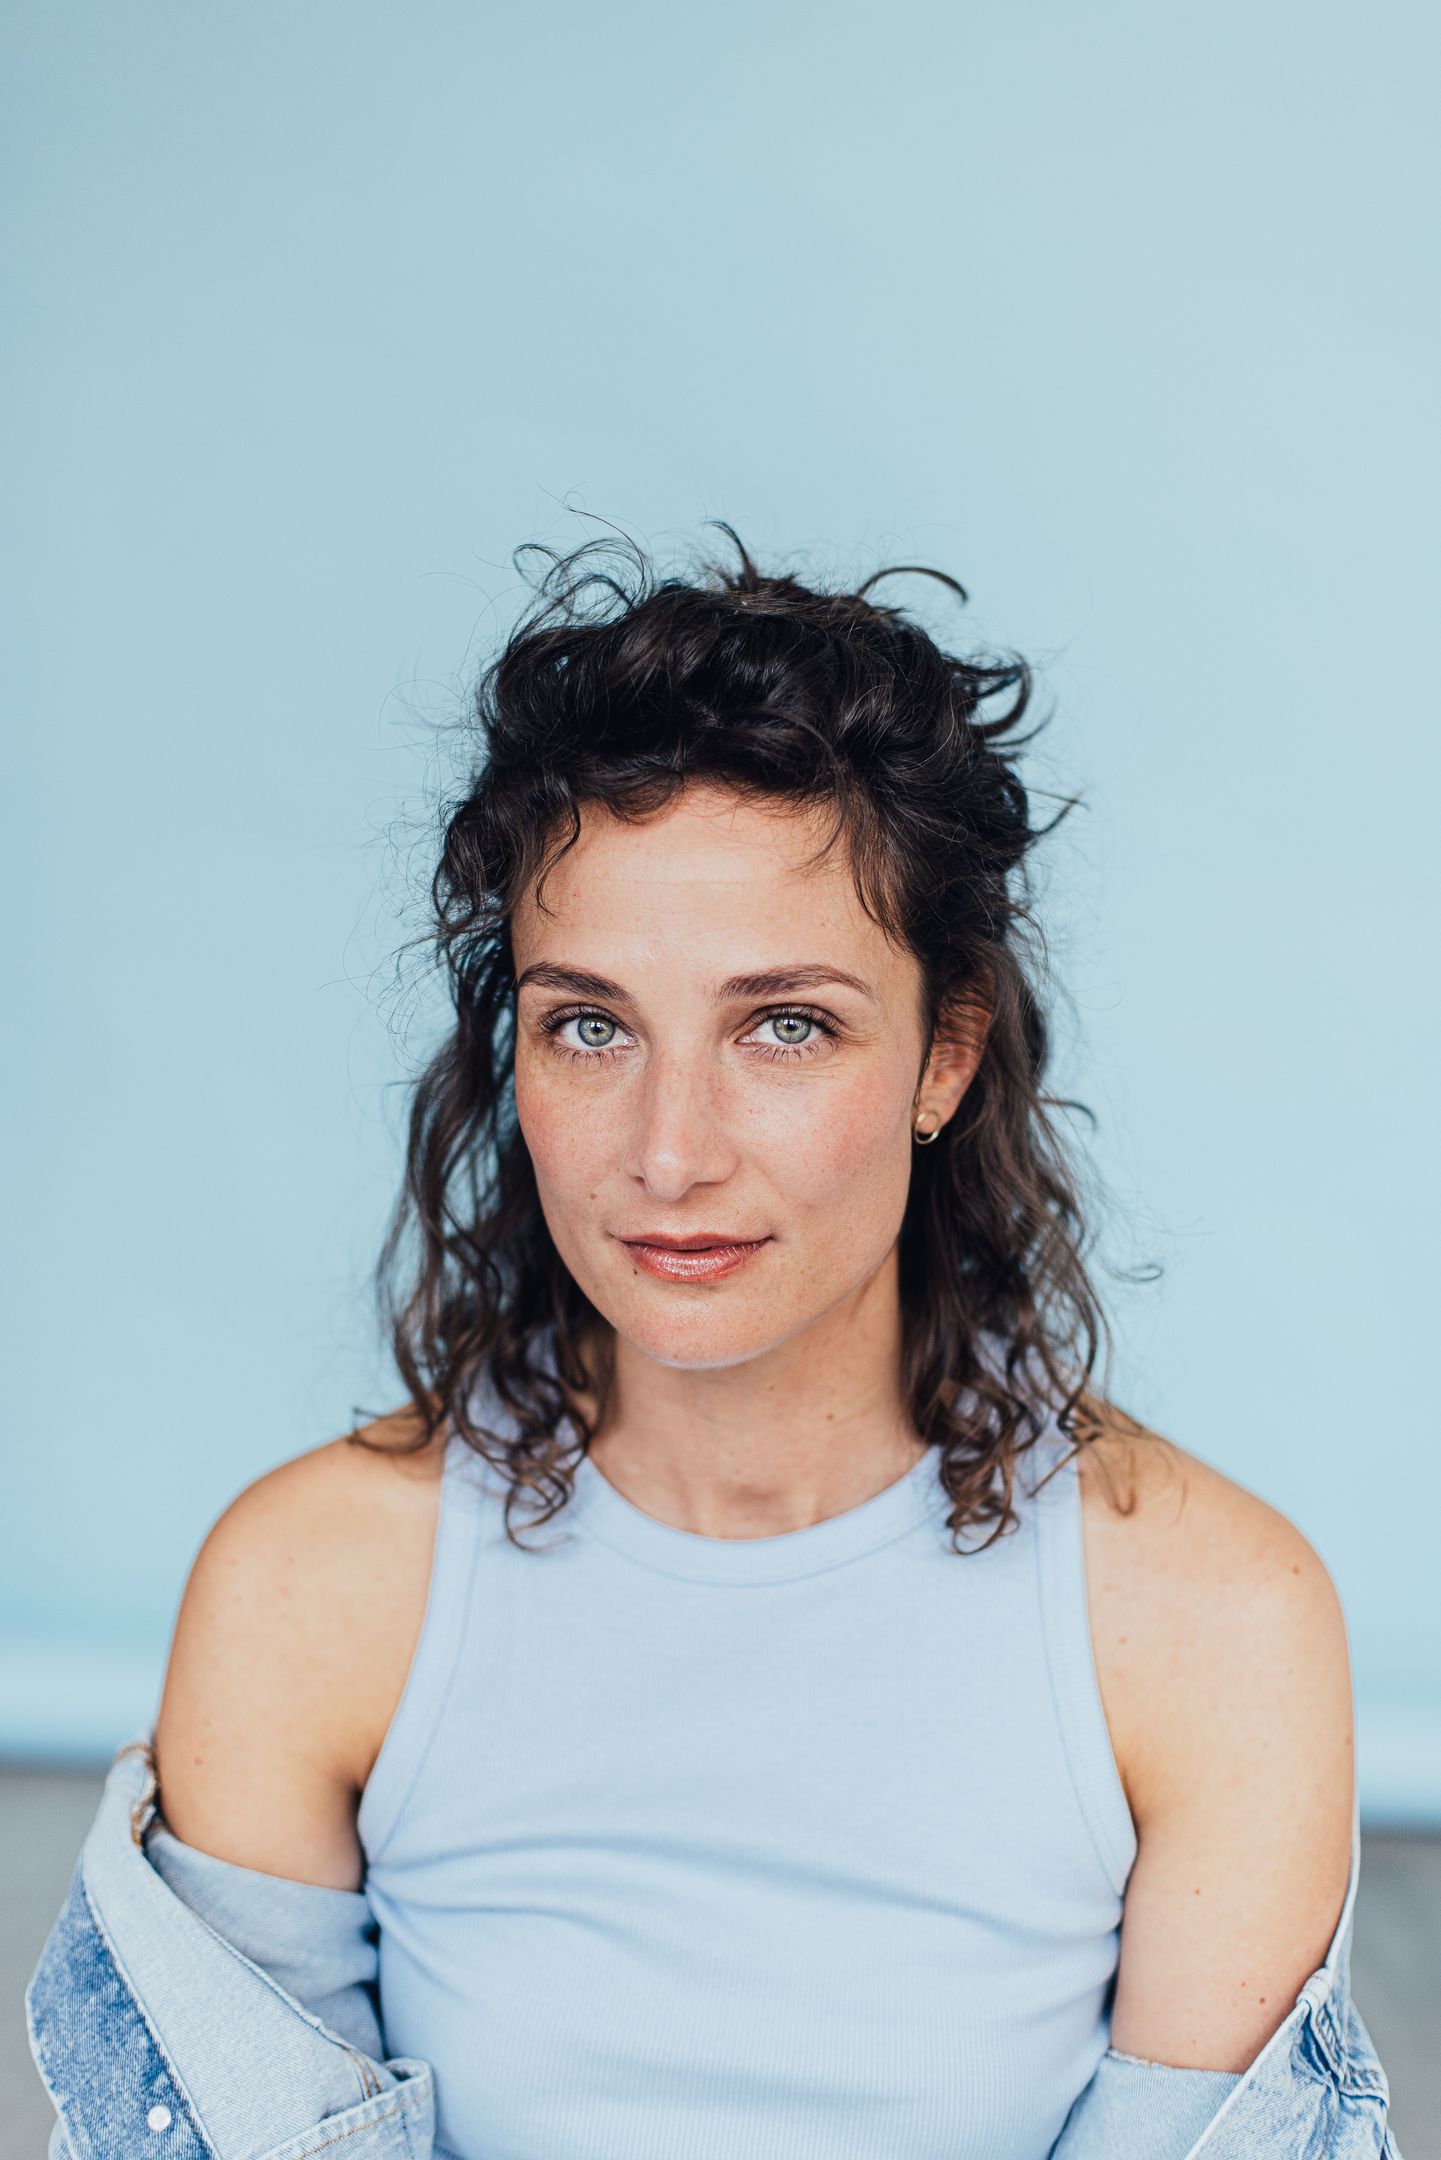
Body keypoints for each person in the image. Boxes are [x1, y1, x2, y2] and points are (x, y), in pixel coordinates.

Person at [148, 528, 1357, 2159]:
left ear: (944, 1057)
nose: (668, 1153)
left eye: (784, 1026)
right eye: (589, 1025)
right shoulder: (310, 1590)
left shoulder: (1209, 1624)